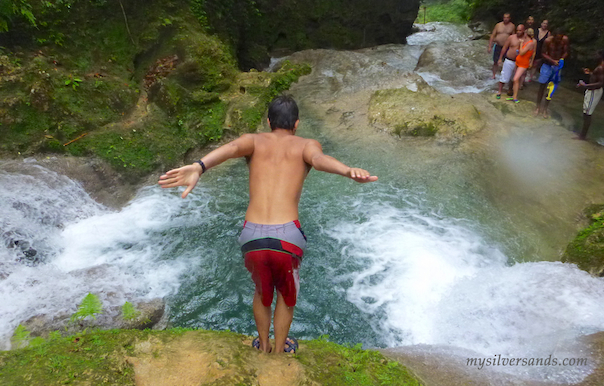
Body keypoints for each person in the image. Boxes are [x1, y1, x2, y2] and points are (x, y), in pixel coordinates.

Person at [158, 95, 378, 354]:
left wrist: (199, 166)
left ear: (268, 121)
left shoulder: (253, 140)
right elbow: (319, 160)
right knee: (286, 296)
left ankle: (262, 347)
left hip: (252, 235)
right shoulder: (306, 144)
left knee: (262, 292)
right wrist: (347, 170)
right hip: (286, 236)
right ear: (296, 123)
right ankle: (278, 351)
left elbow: (229, 148)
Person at [534, 28, 569, 118]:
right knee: (542, 85)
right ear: (554, 37)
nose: (559, 40)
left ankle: (545, 108)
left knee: (551, 87)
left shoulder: (564, 41)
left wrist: (561, 59)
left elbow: (566, 52)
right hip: (547, 64)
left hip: (557, 66)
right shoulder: (548, 41)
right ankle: (538, 106)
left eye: (560, 38)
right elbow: (543, 53)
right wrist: (552, 60)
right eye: (557, 38)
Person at [575, 51, 604, 140]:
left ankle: (582, 136)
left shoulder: (601, 68)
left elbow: (600, 83)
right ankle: (582, 134)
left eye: (597, 55)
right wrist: (590, 73)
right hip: (593, 91)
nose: (595, 56)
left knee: (587, 113)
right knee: (586, 112)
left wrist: (585, 86)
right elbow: (597, 77)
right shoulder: (599, 67)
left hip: (594, 92)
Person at [497, 24, 525, 99]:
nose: (518, 32)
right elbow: (505, 47)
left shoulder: (525, 39)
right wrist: (500, 58)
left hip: (519, 61)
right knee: (504, 76)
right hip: (509, 59)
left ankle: (510, 90)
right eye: (517, 30)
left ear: (523, 31)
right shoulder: (511, 37)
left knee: (514, 78)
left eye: (520, 30)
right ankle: (499, 91)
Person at [511, 29, 536, 102]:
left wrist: (521, 44)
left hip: (523, 63)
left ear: (526, 34)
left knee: (516, 79)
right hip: (519, 61)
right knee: (515, 79)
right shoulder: (526, 42)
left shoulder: (530, 43)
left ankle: (515, 97)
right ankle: (513, 95)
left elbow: (522, 52)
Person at [488, 13, 515, 79]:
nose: (506, 19)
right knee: (495, 61)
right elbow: (492, 35)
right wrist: (489, 46)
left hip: (507, 47)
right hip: (498, 45)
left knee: (506, 62)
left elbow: (514, 37)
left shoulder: (512, 26)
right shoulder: (498, 25)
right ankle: (493, 75)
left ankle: (504, 74)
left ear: (509, 18)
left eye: (507, 17)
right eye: (504, 17)